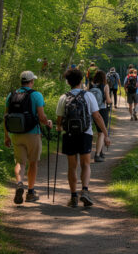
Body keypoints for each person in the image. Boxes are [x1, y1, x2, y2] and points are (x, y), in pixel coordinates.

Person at [56, 68, 110, 208]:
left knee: (71, 166)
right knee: (85, 164)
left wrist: (58, 128)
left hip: (69, 135)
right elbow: (97, 116)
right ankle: (85, 191)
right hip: (85, 134)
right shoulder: (88, 96)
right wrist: (105, 134)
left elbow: (59, 122)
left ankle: (73, 197)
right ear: (81, 81)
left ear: (68, 82)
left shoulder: (63, 98)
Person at [4, 71, 52, 204]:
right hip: (32, 133)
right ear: (31, 81)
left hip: (16, 133)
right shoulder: (36, 95)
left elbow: (6, 117)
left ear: (21, 81)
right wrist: (48, 123)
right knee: (33, 163)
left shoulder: (11, 95)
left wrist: (6, 135)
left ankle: (20, 183)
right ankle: (30, 193)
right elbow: (41, 117)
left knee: (20, 162)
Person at [89, 70, 112, 162]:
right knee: (101, 132)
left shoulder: (90, 86)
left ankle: (100, 152)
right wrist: (111, 101)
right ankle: (97, 154)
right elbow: (108, 100)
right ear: (104, 78)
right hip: (102, 110)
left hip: (91, 111)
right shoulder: (105, 86)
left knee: (98, 133)